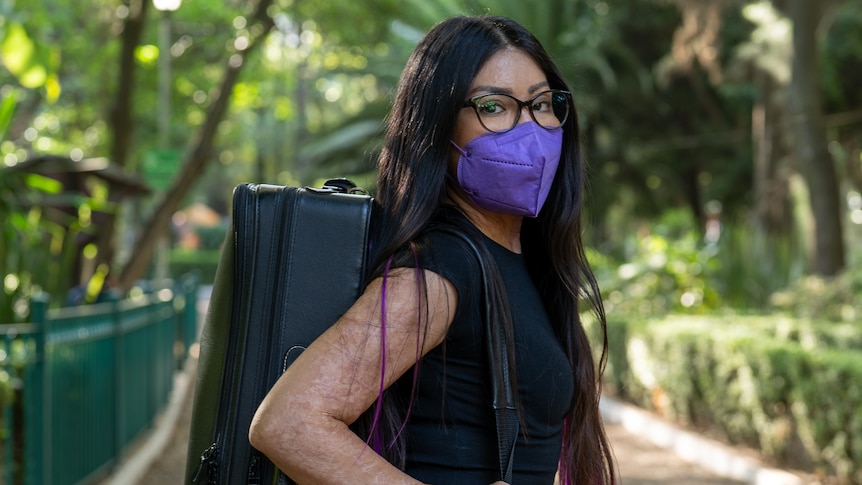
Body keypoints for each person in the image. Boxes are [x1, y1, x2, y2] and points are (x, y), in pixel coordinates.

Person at [249, 14, 616, 485]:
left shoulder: (523, 258)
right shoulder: (439, 270)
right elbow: (289, 425)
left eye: (543, 104)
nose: (532, 129)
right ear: (438, 129)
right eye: (494, 106)